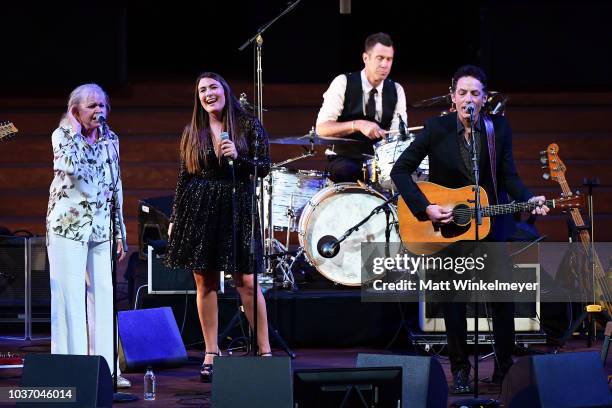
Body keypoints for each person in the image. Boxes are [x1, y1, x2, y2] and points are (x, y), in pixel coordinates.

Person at [390, 65, 549, 393]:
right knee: (453, 300)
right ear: (453, 97)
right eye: (462, 93)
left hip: (491, 227)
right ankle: (460, 369)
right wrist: (426, 208)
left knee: (503, 298)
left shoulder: (498, 129)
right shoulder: (436, 128)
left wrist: (528, 198)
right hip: (449, 230)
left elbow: (509, 177)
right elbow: (400, 170)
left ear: (484, 99)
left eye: (474, 93)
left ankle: (504, 367)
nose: (468, 99)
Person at [165, 72, 272, 382]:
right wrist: (175, 218)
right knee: (205, 281)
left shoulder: (249, 125)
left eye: (213, 87)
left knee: (247, 281)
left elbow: (263, 168)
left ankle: (264, 350)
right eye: (202, 90)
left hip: (236, 206)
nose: (208, 93)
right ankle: (212, 351)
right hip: (199, 209)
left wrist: (238, 157)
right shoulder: (192, 131)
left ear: (225, 90)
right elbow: (184, 178)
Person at [46, 83, 131, 388]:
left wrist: (120, 230)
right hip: (67, 226)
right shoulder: (62, 136)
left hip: (101, 226)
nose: (99, 111)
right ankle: (71, 367)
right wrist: (76, 133)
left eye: (102, 106)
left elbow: (115, 186)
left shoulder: (112, 140)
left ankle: (106, 369)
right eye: (92, 106)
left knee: (104, 296)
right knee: (70, 297)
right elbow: (70, 167)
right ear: (75, 110)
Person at [316, 32, 408, 183]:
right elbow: (322, 129)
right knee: (348, 171)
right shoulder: (342, 83)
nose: (385, 64)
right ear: (366, 58)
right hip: (344, 158)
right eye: (380, 58)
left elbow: (398, 136)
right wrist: (358, 125)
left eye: (389, 59)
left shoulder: (396, 90)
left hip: (379, 162)